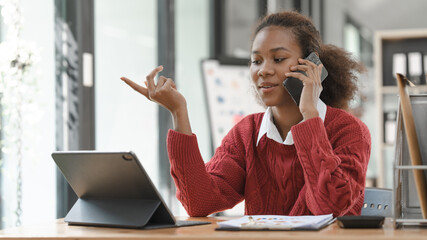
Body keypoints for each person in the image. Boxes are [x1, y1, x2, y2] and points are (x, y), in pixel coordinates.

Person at [120, 10, 371, 217]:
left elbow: (329, 208)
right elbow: (199, 203)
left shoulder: (349, 131)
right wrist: (178, 111)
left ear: (311, 65)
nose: (264, 70)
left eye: (279, 58)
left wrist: (309, 114)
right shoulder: (246, 132)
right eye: (256, 60)